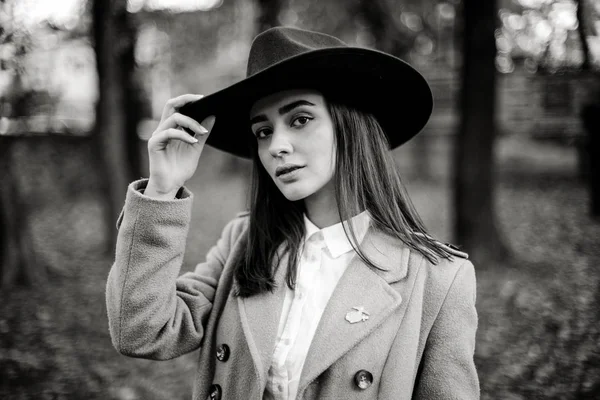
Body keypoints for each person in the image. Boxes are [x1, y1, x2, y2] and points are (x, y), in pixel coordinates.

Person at [106, 26, 479, 400]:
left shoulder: (439, 279)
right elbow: (140, 331)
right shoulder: (244, 244)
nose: (276, 147)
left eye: (299, 119)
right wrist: (162, 189)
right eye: (263, 131)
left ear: (349, 125)